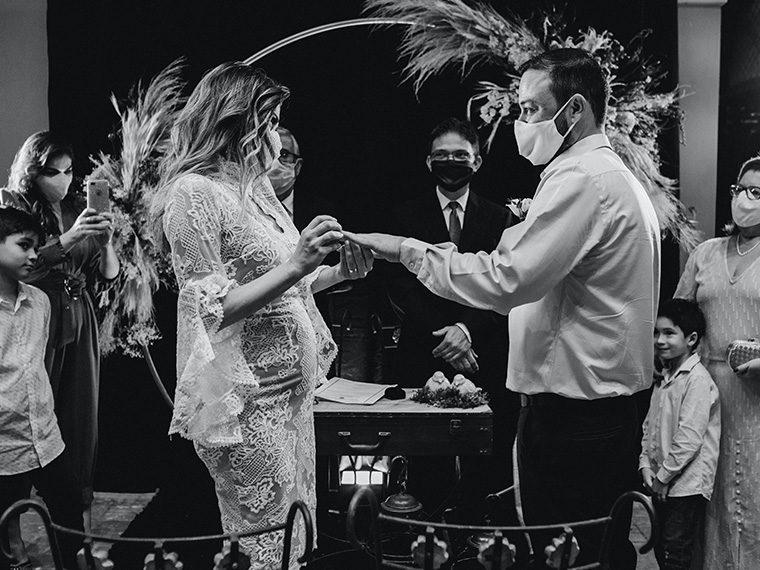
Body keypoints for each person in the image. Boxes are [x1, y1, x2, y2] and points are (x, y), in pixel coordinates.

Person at [346, 48, 661, 569]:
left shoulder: (583, 179)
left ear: (575, 108)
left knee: (570, 556)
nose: (519, 123)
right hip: (597, 413)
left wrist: (402, 248)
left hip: (576, 419)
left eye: (530, 110)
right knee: (588, 552)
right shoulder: (611, 176)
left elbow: (506, 277)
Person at [151, 61, 373, 569]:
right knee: (264, 546)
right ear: (235, 123)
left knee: (297, 535)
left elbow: (286, 290)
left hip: (293, 401)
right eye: (268, 122)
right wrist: (299, 261)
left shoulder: (255, 192)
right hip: (251, 405)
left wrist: (337, 275)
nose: (275, 137)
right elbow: (208, 311)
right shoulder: (193, 194)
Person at [384, 117, 519, 512]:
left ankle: (483, 542)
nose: (451, 162)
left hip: (485, 351)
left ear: (476, 161)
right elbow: (399, 287)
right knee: (427, 464)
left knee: (487, 464)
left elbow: (506, 285)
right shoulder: (403, 217)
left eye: (460, 155)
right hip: (424, 351)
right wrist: (445, 335)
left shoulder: (501, 219)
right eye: (442, 156)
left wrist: (466, 329)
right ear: (429, 163)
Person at [0, 132, 119, 516]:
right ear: (33, 172)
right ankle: (19, 504)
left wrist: (105, 240)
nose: (64, 181)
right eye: (53, 172)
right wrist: (69, 238)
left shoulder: (74, 209)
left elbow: (109, 274)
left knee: (79, 407)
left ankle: (74, 496)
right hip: (36, 309)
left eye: (69, 172)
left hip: (78, 310)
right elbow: (26, 266)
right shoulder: (15, 208)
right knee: (28, 400)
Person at [674, 155, 760, 570]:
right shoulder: (705, 253)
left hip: (755, 397)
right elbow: (678, 320)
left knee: (750, 496)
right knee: (705, 494)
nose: (744, 199)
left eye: (756, 192)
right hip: (703, 395)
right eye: (739, 189)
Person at [0, 206, 85, 570]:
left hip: (48, 439)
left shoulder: (40, 302)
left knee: (72, 523)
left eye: (37, 247)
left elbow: (39, 364)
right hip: (4, 446)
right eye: (24, 245)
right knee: (7, 537)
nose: (35, 255)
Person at [640, 298, 720, 570]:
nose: (659, 340)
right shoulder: (665, 377)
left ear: (692, 338)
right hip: (663, 481)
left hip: (684, 486)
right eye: (656, 333)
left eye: (669, 333)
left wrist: (663, 478)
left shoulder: (696, 380)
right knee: (664, 552)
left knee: (677, 554)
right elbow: (649, 427)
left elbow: (689, 438)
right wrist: (645, 464)